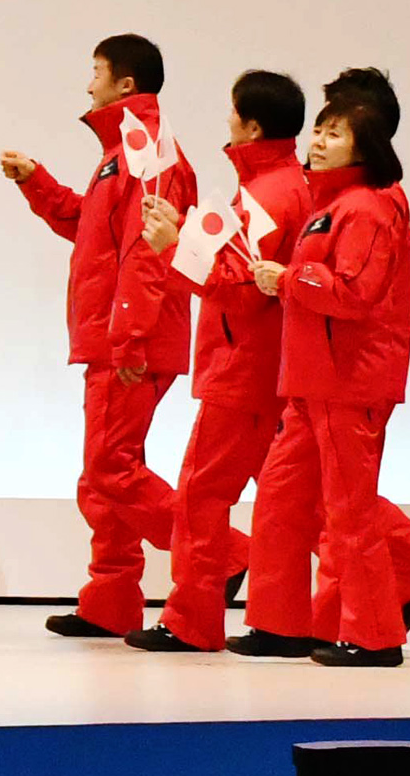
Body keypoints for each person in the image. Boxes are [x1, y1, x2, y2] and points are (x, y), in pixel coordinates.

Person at [237, 71, 410, 668]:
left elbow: (355, 294)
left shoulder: (366, 207)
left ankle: (375, 635)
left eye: (335, 133)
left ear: (367, 143)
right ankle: (280, 623)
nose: (319, 140)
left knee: (349, 514)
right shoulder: (333, 204)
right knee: (283, 498)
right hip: (314, 380)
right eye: (320, 129)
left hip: (346, 380)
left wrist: (287, 279)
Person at [0, 35, 192, 642]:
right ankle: (110, 599)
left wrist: (129, 337)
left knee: (111, 470)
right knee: (105, 473)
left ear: (126, 85)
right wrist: (36, 182)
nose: (88, 85)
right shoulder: (124, 152)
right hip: (115, 336)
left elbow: (146, 254)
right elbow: (94, 229)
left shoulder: (148, 154)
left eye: (96, 73)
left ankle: (223, 557)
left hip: (126, 341)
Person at [130, 71, 309, 652]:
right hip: (262, 361)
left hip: (244, 367)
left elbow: (239, 285)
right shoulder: (286, 184)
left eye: (233, 113)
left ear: (251, 125)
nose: (226, 122)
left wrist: (170, 247)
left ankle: (192, 618)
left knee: (202, 495)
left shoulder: (268, 192)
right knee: (303, 503)